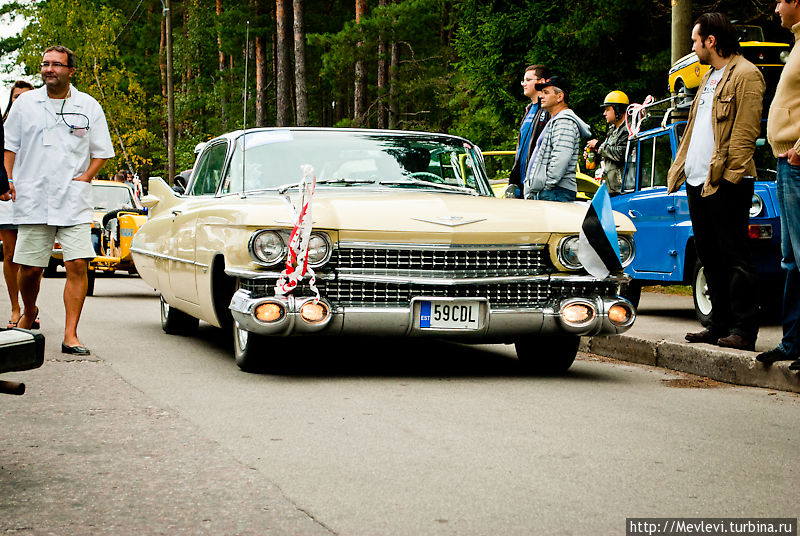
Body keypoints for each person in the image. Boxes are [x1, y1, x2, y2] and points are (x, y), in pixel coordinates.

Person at [4, 45, 115, 355]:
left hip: (73, 199)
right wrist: (8, 179)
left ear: (71, 71)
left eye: (56, 65)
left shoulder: (87, 105)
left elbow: (102, 151)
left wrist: (87, 177)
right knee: (30, 269)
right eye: (45, 64)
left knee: (78, 263)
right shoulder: (26, 103)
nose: (49, 69)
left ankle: (70, 335)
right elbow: (8, 146)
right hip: (33, 196)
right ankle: (30, 310)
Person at [666, 13, 765, 351]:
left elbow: (745, 133)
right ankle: (719, 323)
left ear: (711, 41)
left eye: (695, 40)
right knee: (710, 256)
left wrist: (728, 176)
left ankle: (744, 328)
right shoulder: (708, 77)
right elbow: (695, 130)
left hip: (727, 181)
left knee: (735, 254)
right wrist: (680, 169)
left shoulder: (746, 74)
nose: (692, 47)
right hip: (698, 181)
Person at [758, 0, 800, 369]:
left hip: (797, 161)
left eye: (781, 1)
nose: (776, 8)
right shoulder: (797, 44)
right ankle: (792, 344)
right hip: (788, 161)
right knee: (790, 259)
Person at [524, 74, 592, 202]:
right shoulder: (556, 120)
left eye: (546, 92)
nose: (541, 96)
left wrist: (546, 186)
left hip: (556, 192)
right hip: (552, 192)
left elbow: (561, 159)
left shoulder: (565, 122)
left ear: (560, 97)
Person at [1, 81, 33, 327]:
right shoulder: (2, 128)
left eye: (25, 97)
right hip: (7, 196)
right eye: (16, 97)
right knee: (11, 254)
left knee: (31, 260)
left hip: (33, 197)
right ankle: (15, 308)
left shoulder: (40, 126)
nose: (20, 101)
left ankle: (30, 310)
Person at [507, 65, 551, 198]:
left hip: (537, 184)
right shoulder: (528, 109)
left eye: (528, 80)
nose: (523, 84)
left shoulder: (547, 110)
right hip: (521, 182)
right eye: (523, 80)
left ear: (541, 82)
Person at [586, 90, 630, 194]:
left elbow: (620, 154)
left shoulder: (628, 130)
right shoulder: (613, 130)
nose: (604, 113)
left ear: (618, 109)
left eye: (607, 110)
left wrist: (598, 145)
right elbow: (609, 156)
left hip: (622, 190)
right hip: (611, 189)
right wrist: (595, 155)